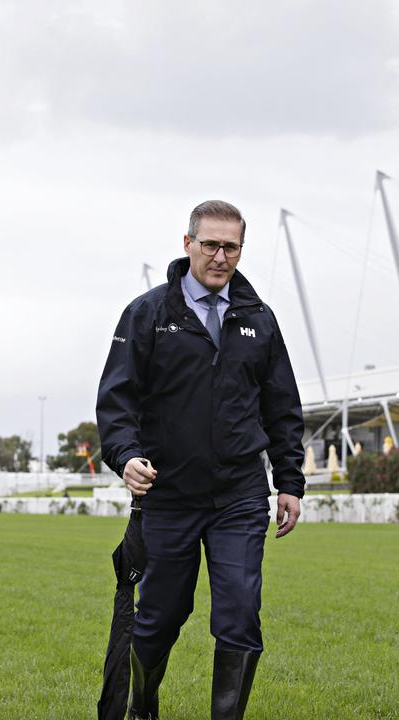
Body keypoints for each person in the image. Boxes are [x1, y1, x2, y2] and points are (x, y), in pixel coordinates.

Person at [97, 200, 306, 720]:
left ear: (241, 250)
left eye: (230, 247)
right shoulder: (147, 314)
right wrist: (125, 457)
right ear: (187, 244)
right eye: (209, 244)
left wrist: (290, 481)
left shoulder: (260, 318)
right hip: (167, 494)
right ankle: (143, 705)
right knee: (162, 617)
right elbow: (117, 400)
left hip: (239, 493)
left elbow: (282, 405)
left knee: (240, 614)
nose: (219, 256)